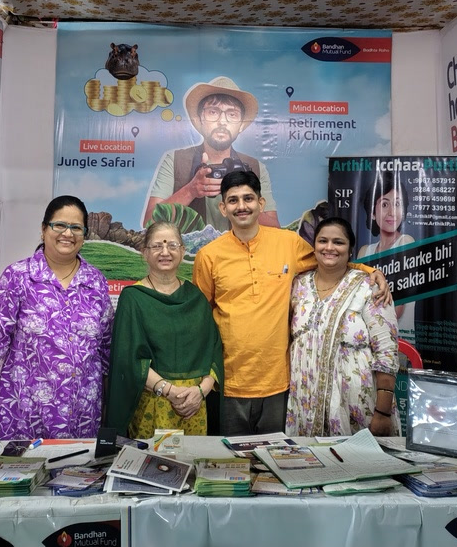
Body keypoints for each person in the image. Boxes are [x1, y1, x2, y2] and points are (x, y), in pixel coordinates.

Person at [193, 169, 391, 436]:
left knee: (274, 454)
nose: (242, 206)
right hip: (229, 382)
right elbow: (201, 318)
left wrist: (368, 271)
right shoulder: (208, 255)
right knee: (230, 456)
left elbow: (328, 258)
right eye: (233, 200)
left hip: (279, 382)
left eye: (248, 198)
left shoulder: (288, 243)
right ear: (222, 208)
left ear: (261, 203)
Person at [0, 195, 112, 440]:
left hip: (82, 419)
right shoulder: (17, 277)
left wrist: (109, 414)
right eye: (59, 225)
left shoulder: (95, 282)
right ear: (44, 229)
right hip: (25, 418)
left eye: (76, 227)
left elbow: (105, 353)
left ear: (84, 235)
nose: (67, 233)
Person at [105, 222, 223, 438]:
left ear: (183, 251)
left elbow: (214, 351)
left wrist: (201, 391)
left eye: (172, 245)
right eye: (157, 246)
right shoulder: (133, 298)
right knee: (151, 459)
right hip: (153, 403)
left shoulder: (196, 298)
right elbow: (129, 359)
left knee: (195, 458)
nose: (165, 252)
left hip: (194, 406)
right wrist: (170, 391)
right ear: (144, 253)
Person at [286, 217, 399, 437]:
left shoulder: (370, 287)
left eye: (338, 242)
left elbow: (387, 353)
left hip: (355, 405)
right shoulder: (298, 285)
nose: (329, 247)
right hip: (305, 404)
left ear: (350, 249)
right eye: (323, 241)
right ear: (314, 246)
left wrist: (383, 413)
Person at [142, 76, 280, 230]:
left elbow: (275, 229)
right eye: (213, 112)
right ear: (200, 119)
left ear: (241, 125)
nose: (222, 121)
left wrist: (243, 199)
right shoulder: (175, 160)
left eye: (232, 114)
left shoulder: (255, 167)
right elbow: (149, 222)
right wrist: (191, 190)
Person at [356, 172, 414, 258]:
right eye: (384, 205)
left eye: (397, 204)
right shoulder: (365, 251)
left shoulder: (405, 242)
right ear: (372, 213)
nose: (392, 213)